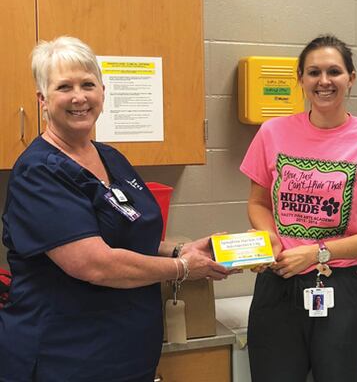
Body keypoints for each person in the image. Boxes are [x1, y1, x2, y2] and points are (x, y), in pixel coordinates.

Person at [0, 36, 232, 382]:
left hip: (125, 352)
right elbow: (94, 264)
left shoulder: (110, 158)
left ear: (103, 93)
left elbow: (128, 235)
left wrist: (182, 249)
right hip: (65, 356)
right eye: (64, 86)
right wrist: (182, 267)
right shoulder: (39, 172)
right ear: (42, 100)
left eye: (88, 84)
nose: (79, 97)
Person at [240, 34, 357, 382]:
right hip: (278, 284)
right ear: (301, 80)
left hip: (341, 286)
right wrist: (269, 237)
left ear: (351, 78)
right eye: (313, 72)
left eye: (334, 71)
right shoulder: (272, 132)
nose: (324, 81)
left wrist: (317, 253)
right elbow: (258, 203)